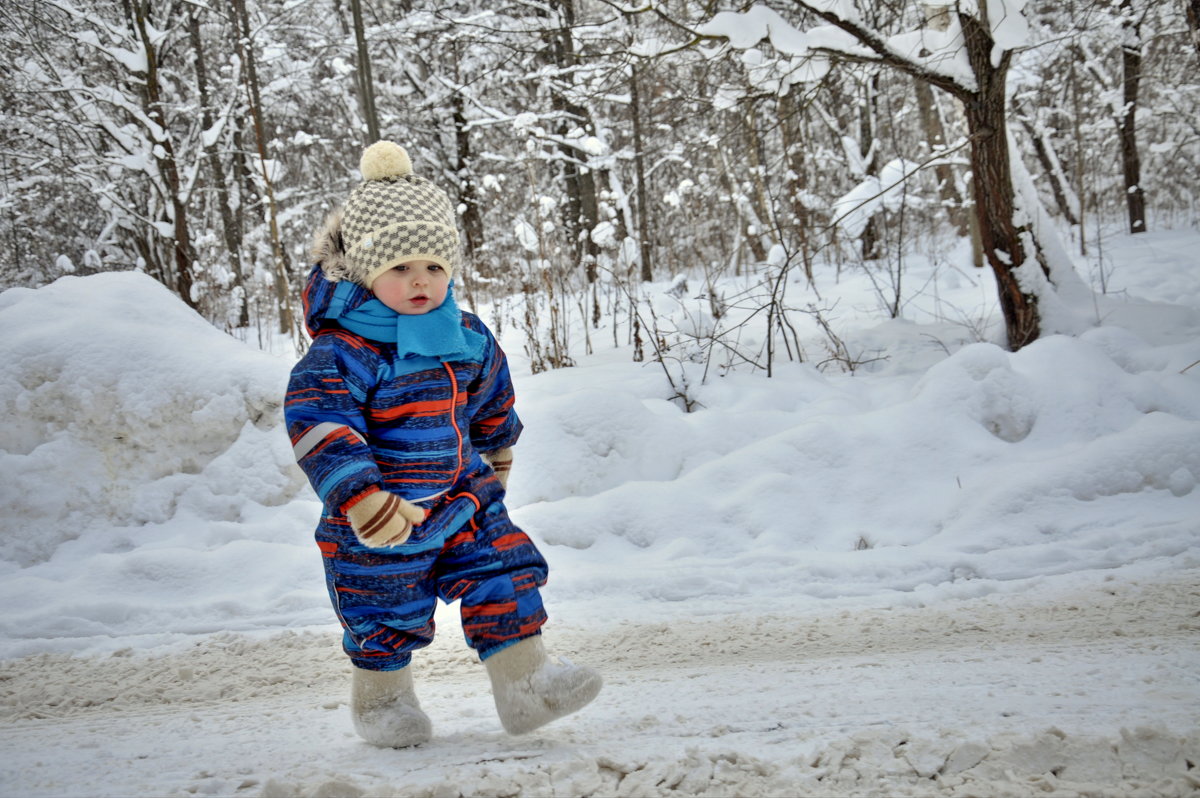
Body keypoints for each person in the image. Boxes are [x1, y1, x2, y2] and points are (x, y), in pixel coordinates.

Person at [285, 140, 601, 748]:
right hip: (383, 514)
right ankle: (383, 703)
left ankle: (526, 688)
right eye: (400, 269)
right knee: (385, 608)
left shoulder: (463, 335)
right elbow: (319, 424)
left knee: (504, 572)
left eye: (433, 266)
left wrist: (497, 446)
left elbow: (489, 392)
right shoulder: (343, 352)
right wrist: (359, 495)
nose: (421, 281)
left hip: (462, 496)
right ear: (366, 272)